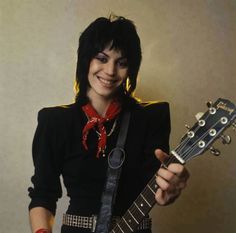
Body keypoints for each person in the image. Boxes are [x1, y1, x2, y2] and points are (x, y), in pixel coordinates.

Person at [28, 15, 190, 233]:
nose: (111, 71)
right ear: (85, 60)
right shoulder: (55, 121)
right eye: (101, 58)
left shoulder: (152, 116)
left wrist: (170, 189)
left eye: (121, 63)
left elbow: (157, 190)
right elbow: (42, 194)